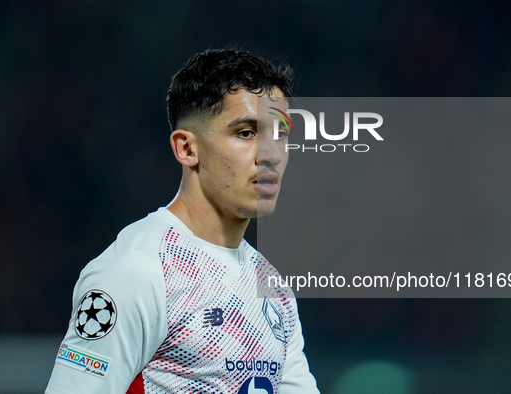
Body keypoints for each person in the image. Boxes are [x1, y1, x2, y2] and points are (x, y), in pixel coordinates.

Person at [45, 48, 320, 394]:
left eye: (280, 132)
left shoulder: (272, 287)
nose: (273, 154)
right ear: (187, 149)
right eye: (246, 133)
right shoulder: (137, 272)